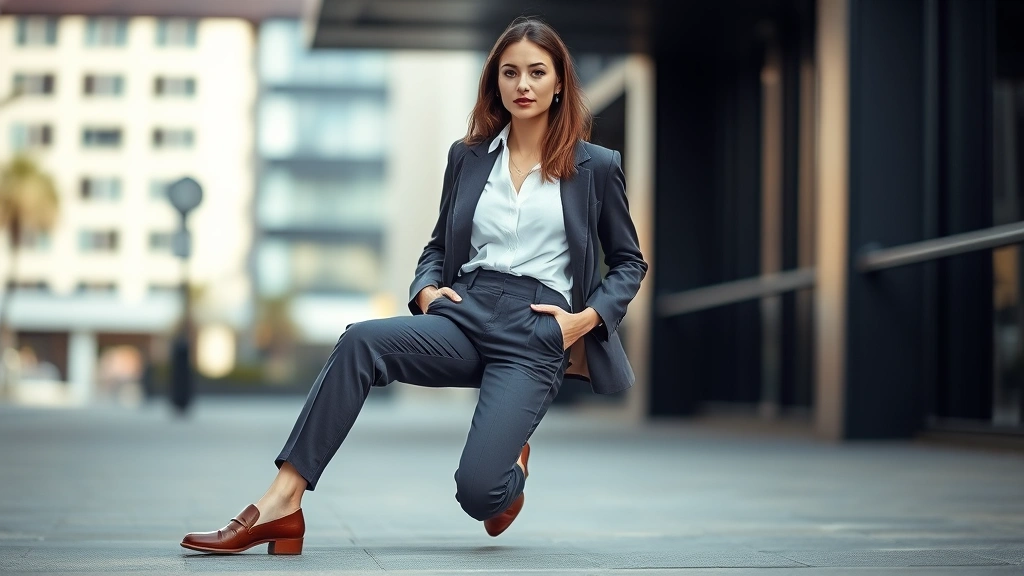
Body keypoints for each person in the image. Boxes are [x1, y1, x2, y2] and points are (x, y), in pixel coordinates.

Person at [180, 16, 647, 555]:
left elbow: (628, 262)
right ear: (494, 81)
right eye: (510, 72)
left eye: (536, 73)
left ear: (559, 81)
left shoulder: (595, 167)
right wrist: (426, 290)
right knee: (360, 340)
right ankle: (282, 502)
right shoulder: (468, 156)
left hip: (537, 329)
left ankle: (510, 462)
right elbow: (438, 247)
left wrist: (583, 321)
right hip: (466, 311)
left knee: (479, 495)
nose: (523, 85)